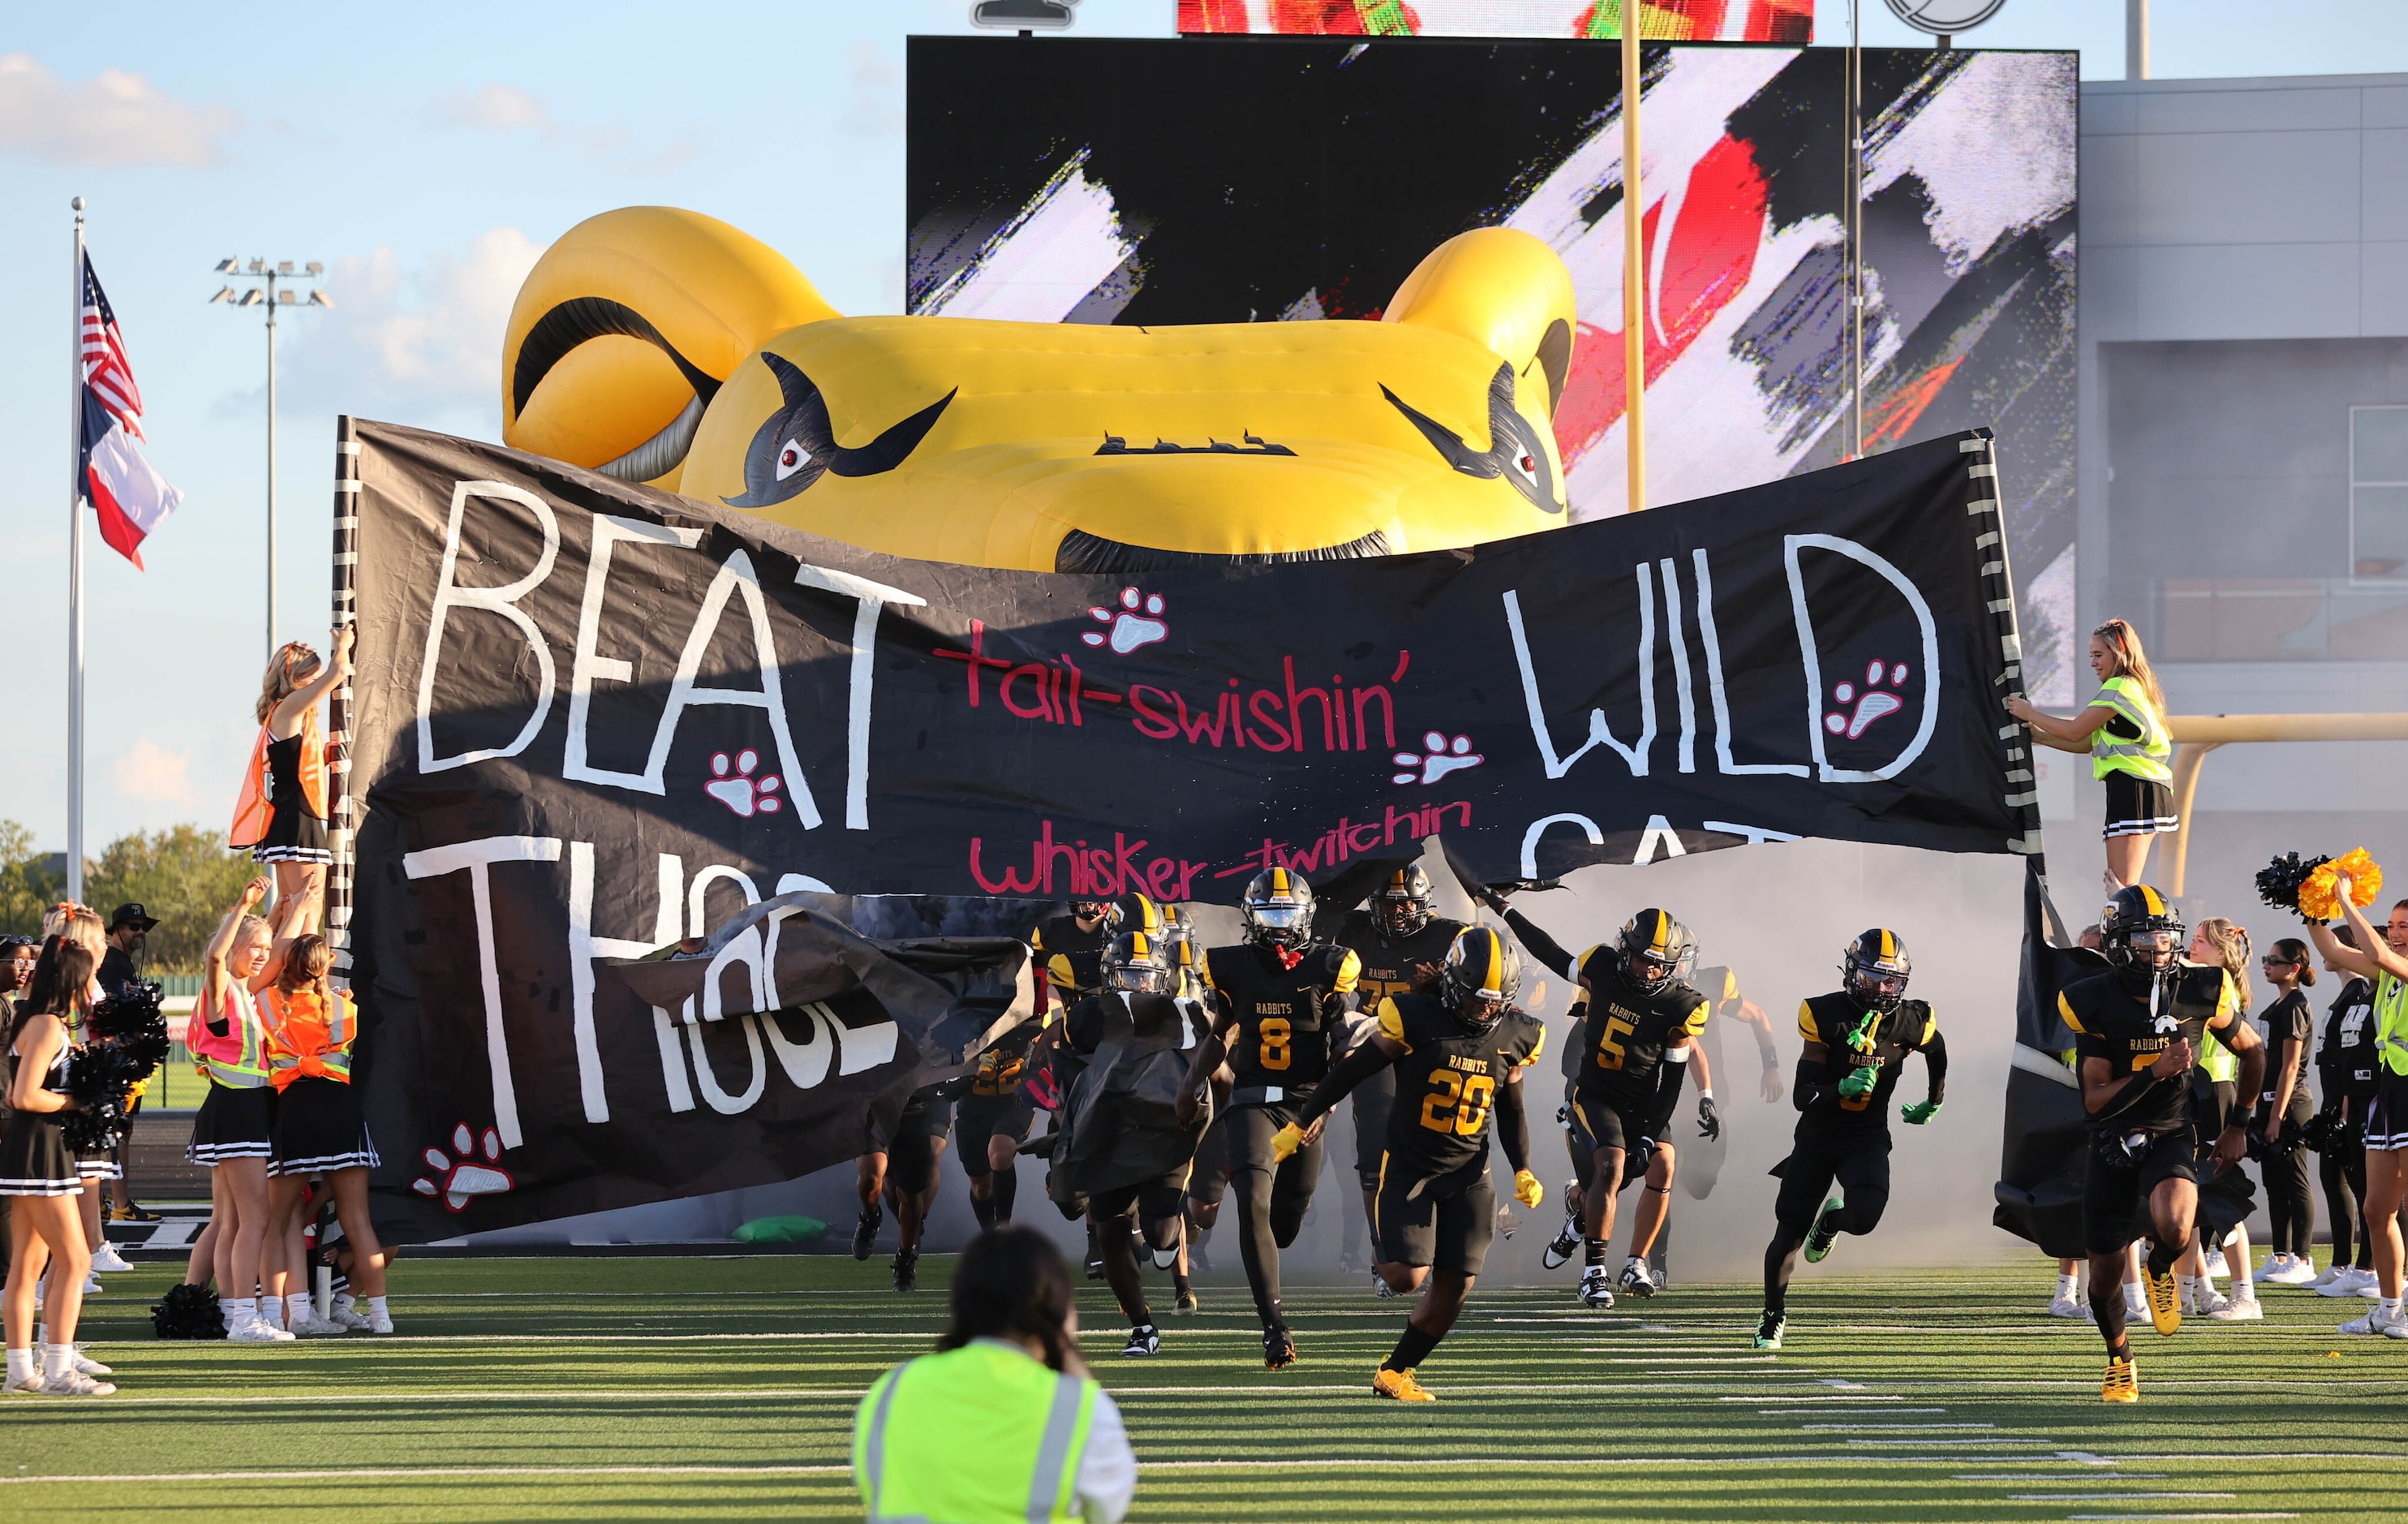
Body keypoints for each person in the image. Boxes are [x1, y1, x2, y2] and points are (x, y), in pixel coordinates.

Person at [1266, 925, 1544, 1401]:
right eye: (1477, 999)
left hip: (1470, 1173)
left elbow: (1511, 1107)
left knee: (1458, 1283)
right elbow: (1354, 1069)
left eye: (1494, 1001)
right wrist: (1302, 1121)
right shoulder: (1414, 1017)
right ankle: (1384, 1239)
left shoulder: (1519, 1034)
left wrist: (1522, 1166)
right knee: (1404, 1278)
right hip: (1411, 1165)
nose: (1485, 1009)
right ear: (1454, 983)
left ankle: (1395, 1372)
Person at [2059, 885, 2263, 1403]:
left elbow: (2255, 1052)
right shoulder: (2090, 998)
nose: (2159, 949)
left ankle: (2158, 1268)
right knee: (2103, 1280)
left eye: (2166, 938)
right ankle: (2120, 1359)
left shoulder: (2202, 987)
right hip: (2112, 1139)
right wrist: (2153, 1072)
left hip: (2172, 1132)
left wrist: (2239, 1123)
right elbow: (2095, 1101)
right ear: (2120, 942)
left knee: (2176, 1224)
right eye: (2146, 938)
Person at [1489, 897, 1714, 1307]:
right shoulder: (1603, 969)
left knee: (1663, 1163)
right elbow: (1550, 951)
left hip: (1643, 1100)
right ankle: (1594, 1272)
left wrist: (1649, 1135)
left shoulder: (1682, 1005)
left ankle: (1636, 1262)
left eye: (1661, 964)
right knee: (1611, 1165)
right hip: (1595, 1092)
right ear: (1625, 950)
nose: (1651, 971)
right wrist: (1505, 910)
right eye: (1644, 960)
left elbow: (1672, 1081)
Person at [1177, 867, 1359, 1368]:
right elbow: (1220, 1034)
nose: (1279, 926)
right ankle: (1274, 1329)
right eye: (1269, 914)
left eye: (1287, 914)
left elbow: (1344, 1048)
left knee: (1283, 1224)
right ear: (1252, 917)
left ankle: (1274, 1257)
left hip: (1307, 1104)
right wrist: (1191, 1084)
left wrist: (1323, 1104)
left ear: (1305, 916)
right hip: (1253, 1100)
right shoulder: (1233, 967)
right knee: (1253, 1202)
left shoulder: (1330, 966)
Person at [852, 1225, 1136, 1524]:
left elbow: (875, 1488)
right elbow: (1109, 1509)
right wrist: (1068, 1356)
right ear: (1060, 1312)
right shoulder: (1080, 1408)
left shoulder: (893, 1390)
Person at [1753, 930, 1946, 1350]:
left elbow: (1937, 1049)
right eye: (1873, 977)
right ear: (1852, 973)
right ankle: (1773, 1314)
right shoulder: (1826, 1015)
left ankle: (1833, 1222)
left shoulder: (1911, 1020)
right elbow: (1803, 1096)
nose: (1882, 988)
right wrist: (1840, 1087)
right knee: (1788, 1235)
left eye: (1891, 981)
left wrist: (1935, 1099)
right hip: (1820, 1136)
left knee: (1865, 1217)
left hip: (1866, 1136)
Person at [1053, 930, 1210, 1356]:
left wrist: (1205, 1119)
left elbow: (1215, 1063)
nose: (1136, 985)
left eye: (1144, 976)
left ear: (1160, 978)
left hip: (1162, 1133)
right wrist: (1073, 1113)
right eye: (1127, 975)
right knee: (1109, 1229)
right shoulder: (1090, 1015)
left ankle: (1167, 1236)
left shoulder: (1181, 1013)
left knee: (1161, 1237)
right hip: (1112, 1135)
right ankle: (1143, 1327)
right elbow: (1063, 1058)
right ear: (1110, 976)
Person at [1324, 864, 1464, 1290]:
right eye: (1389, 903)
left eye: (1406, 904)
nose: (1398, 912)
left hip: (1429, 1060)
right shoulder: (1353, 929)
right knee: (1373, 1165)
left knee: (1442, 1158)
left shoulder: (1449, 936)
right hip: (1373, 1059)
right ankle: (1382, 1255)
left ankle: (1435, 1248)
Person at [260, 924, 390, 1335]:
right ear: (325, 966)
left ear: (286, 964)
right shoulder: (344, 1008)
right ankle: (381, 1316)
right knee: (358, 1220)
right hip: (341, 1112)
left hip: (295, 1113)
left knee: (277, 1222)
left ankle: (272, 1311)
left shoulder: (264, 1003)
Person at [2, 936, 114, 1395]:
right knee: (75, 1257)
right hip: (41, 1149)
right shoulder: (47, 1025)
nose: (93, 984)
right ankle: (61, 1371)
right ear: (72, 978)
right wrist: (77, 1102)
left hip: (35, 1148)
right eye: (88, 975)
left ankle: (20, 1371)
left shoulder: (41, 1019)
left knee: (29, 1263)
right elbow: (24, 1095)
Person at [188, 878, 294, 1343]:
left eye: (264, 949)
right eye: (253, 948)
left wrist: (280, 914)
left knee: (233, 1220)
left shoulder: (244, 992)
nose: (260, 955)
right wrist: (243, 906)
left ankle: (234, 1314)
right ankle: (244, 1317)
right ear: (233, 946)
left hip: (239, 1108)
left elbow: (258, 950)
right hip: (237, 1110)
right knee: (256, 1219)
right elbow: (215, 956)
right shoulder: (221, 988)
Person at [2303, 886, 2408, 1338]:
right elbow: (2331, 947)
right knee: (2376, 1207)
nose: (2396, 932)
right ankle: (2389, 1309)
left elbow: (2383, 956)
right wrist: (2310, 904)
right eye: (2394, 925)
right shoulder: (2386, 972)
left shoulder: (2394, 965)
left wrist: (2347, 900)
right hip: (2389, 1094)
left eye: (2406, 926)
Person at [2006, 618, 2173, 895]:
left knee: (2122, 889)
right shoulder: (2135, 687)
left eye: (2098, 655)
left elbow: (2074, 731)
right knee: (2119, 886)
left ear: (2119, 653)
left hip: (2136, 788)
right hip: (2137, 788)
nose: (2093, 663)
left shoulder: (2119, 687)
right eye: (2091, 656)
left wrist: (2029, 713)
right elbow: (2086, 743)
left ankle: (2133, 936)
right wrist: (2039, 736)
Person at [230, 630, 352, 906]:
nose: (314, 683)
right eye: (311, 676)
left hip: (292, 814)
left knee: (290, 911)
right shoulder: (289, 707)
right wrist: (343, 644)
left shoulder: (288, 714)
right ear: (295, 677)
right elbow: (339, 672)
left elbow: (294, 763)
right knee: (305, 913)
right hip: (297, 816)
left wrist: (325, 755)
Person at [2180, 917, 2264, 1320]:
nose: (2190, 946)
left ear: (2219, 952)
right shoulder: (2207, 977)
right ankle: (2201, 1291)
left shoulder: (2216, 981)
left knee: (2220, 1195)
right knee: (2185, 1199)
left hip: (2215, 1094)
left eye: (2199, 941)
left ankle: (2245, 1295)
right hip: (2194, 1094)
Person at [2313, 926, 2379, 1298]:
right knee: (2341, 1178)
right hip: (2344, 1100)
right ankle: (2347, 1262)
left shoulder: (2367, 991)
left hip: (2369, 1100)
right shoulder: (2351, 993)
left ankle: (2373, 1268)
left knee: (2373, 1190)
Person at [2252, 937, 2320, 1288]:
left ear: (2293, 968)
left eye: (2273, 960)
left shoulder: (2295, 1004)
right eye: (2265, 958)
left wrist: (2278, 1116)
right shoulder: (2276, 1004)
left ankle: (2303, 1258)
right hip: (2269, 1102)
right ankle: (2280, 1254)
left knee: (2294, 1180)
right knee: (2273, 1183)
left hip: (2291, 1104)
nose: (2266, 964)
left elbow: (2291, 1067)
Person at [97, 904, 160, 1225]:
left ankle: (104, 1202)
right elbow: (107, 1010)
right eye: (133, 926)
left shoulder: (121, 963)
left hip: (125, 1058)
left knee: (116, 1131)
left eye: (143, 927)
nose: (139, 932)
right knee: (117, 1131)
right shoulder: (110, 963)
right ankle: (119, 1203)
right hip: (114, 1059)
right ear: (116, 928)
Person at [853, 1085, 951, 1291]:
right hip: (874, 1098)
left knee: (912, 1185)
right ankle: (871, 1217)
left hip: (917, 1103)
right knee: (873, 1171)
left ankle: (906, 1257)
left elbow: (954, 1063)